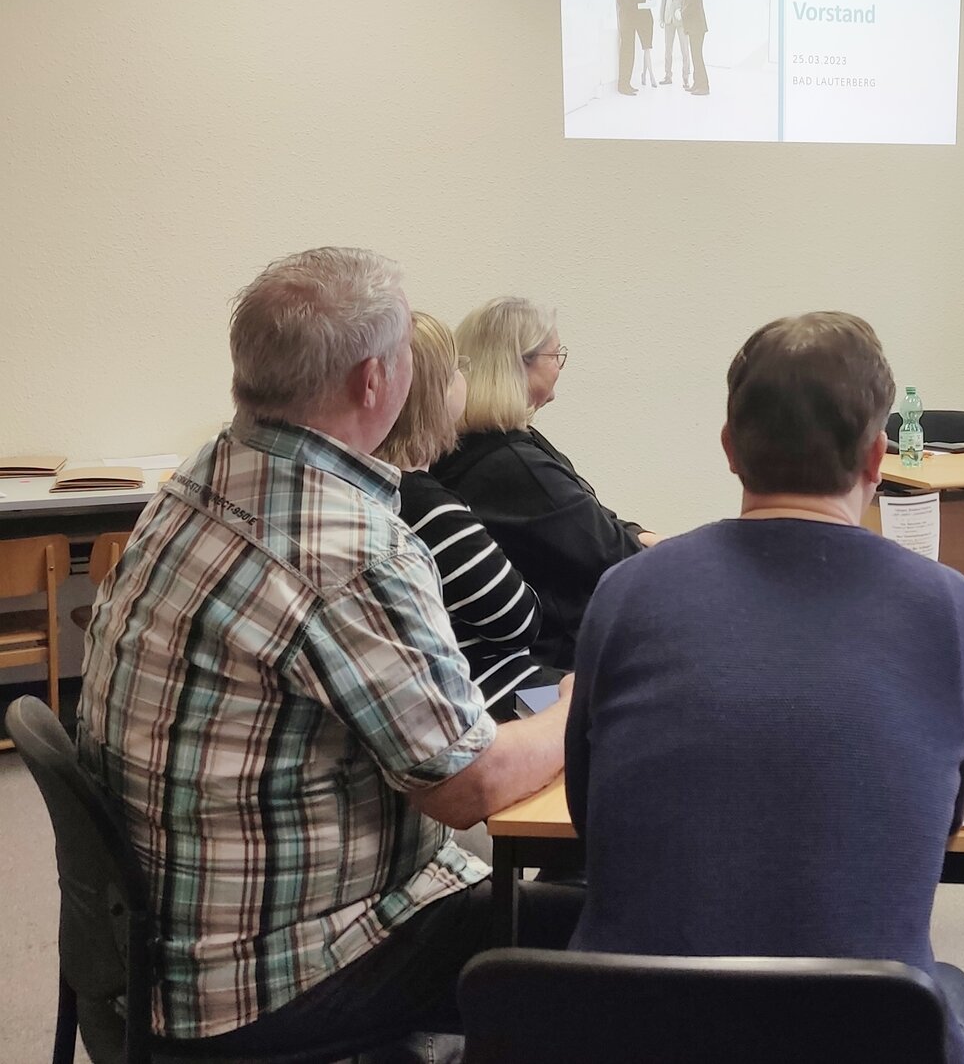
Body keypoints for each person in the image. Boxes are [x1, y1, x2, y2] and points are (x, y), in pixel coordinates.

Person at [76, 248, 577, 1057]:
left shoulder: (197, 478)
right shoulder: (347, 547)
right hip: (270, 973)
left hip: (159, 940)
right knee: (609, 940)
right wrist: (574, 707)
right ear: (374, 381)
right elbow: (466, 785)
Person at [565, 312, 964, 1064]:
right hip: (862, 1032)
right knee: (953, 993)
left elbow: (586, 809)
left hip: (627, 1029)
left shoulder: (625, 591)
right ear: (876, 456)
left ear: (729, 450)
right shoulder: (947, 605)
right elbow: (950, 813)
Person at [433, 296, 657, 669]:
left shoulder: (484, 446)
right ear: (520, 362)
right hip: (551, 667)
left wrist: (640, 533)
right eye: (555, 356)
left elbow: (592, 520)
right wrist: (666, 547)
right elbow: (617, 557)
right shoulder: (512, 465)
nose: (560, 366)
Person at [377, 310, 545, 716]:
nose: (464, 379)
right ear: (434, 395)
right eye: (456, 370)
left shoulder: (384, 487)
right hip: (486, 693)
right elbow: (519, 621)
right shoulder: (428, 506)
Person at [680, 0, 708, 95]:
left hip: (696, 27)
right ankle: (697, 84)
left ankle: (703, 87)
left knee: (697, 56)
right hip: (696, 27)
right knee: (696, 55)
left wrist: (681, 13)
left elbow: (691, 4)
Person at [613, 0, 639, 96]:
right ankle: (623, 86)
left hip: (626, 23)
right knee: (627, 54)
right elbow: (629, 1)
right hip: (627, 23)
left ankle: (626, 84)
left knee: (628, 54)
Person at [632, 0, 657, 89]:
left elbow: (654, 3)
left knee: (647, 48)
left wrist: (645, 2)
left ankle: (644, 75)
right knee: (646, 48)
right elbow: (635, 5)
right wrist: (646, 1)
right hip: (640, 19)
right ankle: (651, 75)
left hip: (648, 18)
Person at [663, 0, 685, 87]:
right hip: (668, 19)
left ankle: (686, 79)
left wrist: (682, 12)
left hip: (681, 20)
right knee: (667, 49)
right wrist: (661, 17)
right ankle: (667, 76)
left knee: (685, 50)